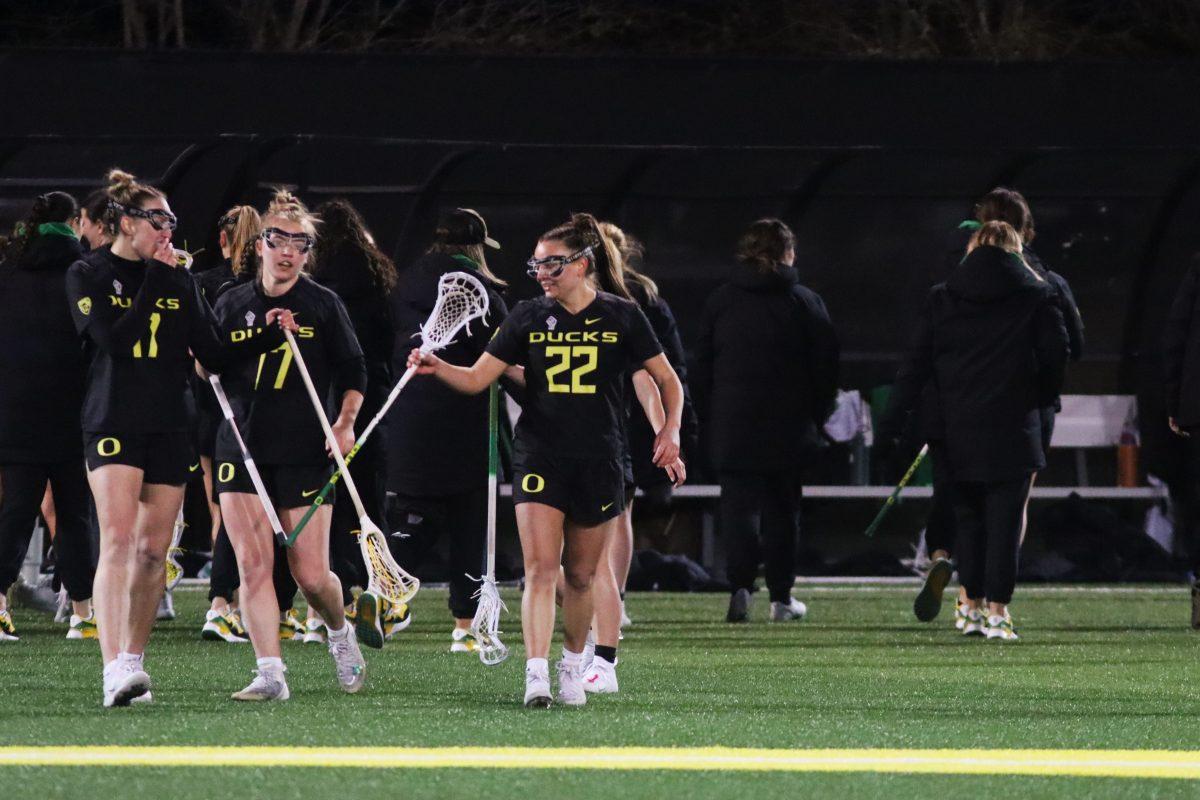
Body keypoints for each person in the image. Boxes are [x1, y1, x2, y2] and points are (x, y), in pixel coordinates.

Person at [407, 212, 684, 708]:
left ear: (583, 264)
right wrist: (437, 366)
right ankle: (535, 674)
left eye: (553, 264)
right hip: (540, 456)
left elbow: (666, 379)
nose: (543, 274)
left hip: (600, 458)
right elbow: (476, 379)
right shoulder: (527, 316)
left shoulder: (622, 315)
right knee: (540, 569)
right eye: (536, 265)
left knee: (580, 576)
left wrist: (670, 431)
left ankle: (573, 667)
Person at [65, 169, 288, 706]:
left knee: (151, 551)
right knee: (117, 540)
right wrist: (161, 282)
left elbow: (212, 353)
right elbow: (115, 342)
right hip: (113, 420)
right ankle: (112, 667)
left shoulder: (180, 279)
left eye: (171, 220)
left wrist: (265, 333)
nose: (167, 229)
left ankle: (134, 664)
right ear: (124, 222)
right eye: (156, 219)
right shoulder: (88, 272)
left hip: (170, 422)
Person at [210, 190, 367, 700]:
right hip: (242, 447)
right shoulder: (232, 303)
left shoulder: (323, 304)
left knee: (311, 575)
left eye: (301, 244)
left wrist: (344, 424)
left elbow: (354, 371)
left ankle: (340, 633)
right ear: (260, 244)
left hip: (303, 448)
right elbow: (206, 364)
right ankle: (270, 673)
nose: (289, 252)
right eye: (279, 240)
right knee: (254, 564)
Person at [897, 221, 1067, 641]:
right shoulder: (1038, 294)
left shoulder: (943, 297)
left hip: (958, 428)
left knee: (969, 523)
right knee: (1005, 525)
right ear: (1016, 251)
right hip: (1013, 425)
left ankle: (969, 607)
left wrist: (900, 422)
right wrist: (1036, 396)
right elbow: (1056, 356)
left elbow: (920, 362)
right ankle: (997, 613)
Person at [694, 218, 838, 624]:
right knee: (783, 514)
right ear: (788, 253)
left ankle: (740, 587)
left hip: (733, 423)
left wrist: (710, 415)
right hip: (789, 426)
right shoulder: (806, 302)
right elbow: (827, 366)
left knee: (738, 511)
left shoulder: (722, 300)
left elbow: (702, 366)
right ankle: (781, 598)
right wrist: (817, 414)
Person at [387, 208, 511, 652]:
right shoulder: (487, 293)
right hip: (464, 421)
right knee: (469, 522)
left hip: (407, 416)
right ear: (477, 246)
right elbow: (501, 354)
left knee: (412, 515)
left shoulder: (403, 282)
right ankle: (466, 624)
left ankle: (385, 595)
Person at [577, 220, 691, 693]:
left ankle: (600, 650)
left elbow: (654, 376)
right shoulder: (541, 312)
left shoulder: (624, 309)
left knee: (599, 543)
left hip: (608, 435)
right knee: (560, 562)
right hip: (554, 443)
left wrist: (668, 428)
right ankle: (556, 659)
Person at [0, 192, 96, 642]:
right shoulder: (84, 272)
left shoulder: (9, 273)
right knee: (75, 511)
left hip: (16, 407)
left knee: (17, 509)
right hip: (72, 406)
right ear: (75, 222)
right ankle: (83, 613)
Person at [311, 198, 400, 646]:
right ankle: (380, 595)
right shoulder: (376, 277)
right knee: (368, 504)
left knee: (326, 504)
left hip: (328, 399)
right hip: (373, 400)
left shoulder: (318, 288)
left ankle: (329, 604)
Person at [195, 206, 260, 644]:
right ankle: (227, 602)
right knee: (243, 513)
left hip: (208, 410)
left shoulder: (202, 283)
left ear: (222, 239)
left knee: (223, 509)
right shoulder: (262, 290)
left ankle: (226, 602)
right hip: (246, 411)